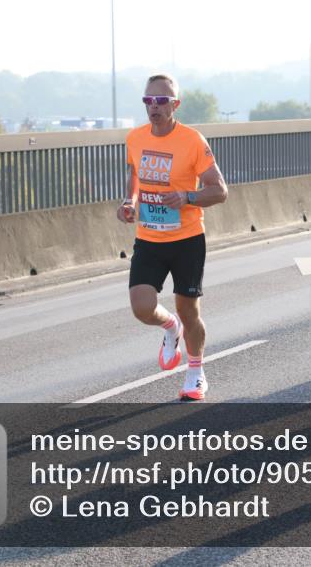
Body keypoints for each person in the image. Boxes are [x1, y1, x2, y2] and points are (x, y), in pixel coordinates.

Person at [119, 74, 228, 401]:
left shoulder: (193, 141)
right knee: (141, 307)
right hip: (149, 239)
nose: (154, 107)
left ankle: (195, 373)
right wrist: (130, 201)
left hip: (186, 241)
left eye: (162, 101)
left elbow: (219, 191)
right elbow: (135, 173)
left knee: (189, 311)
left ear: (175, 105)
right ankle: (170, 329)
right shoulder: (135, 138)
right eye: (148, 101)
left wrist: (187, 197)